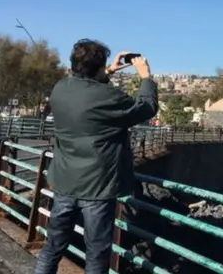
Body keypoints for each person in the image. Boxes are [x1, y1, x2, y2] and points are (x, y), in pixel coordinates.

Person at [33, 39, 158, 274]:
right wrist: (145, 77)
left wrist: (108, 70)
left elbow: (86, 90)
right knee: (97, 256)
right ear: (98, 66)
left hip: (65, 182)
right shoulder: (110, 97)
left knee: (51, 248)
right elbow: (146, 108)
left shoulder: (60, 88)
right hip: (98, 187)